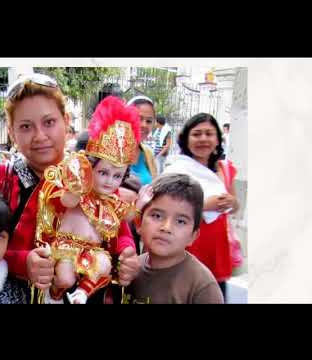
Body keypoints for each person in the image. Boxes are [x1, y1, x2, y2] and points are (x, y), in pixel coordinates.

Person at [0, 73, 140, 304]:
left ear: (66, 121)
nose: (40, 136)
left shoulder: (91, 174)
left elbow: (120, 229)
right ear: (12, 132)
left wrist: (127, 256)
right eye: (26, 126)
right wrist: (21, 262)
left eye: (49, 122)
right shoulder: (0, 181)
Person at [36, 96, 152, 304]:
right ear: (90, 167)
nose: (110, 181)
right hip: (66, 247)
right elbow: (64, 202)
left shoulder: (112, 199)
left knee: (105, 266)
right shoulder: (79, 187)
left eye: (117, 176)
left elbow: (124, 222)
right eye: (103, 173)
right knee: (64, 277)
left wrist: (139, 208)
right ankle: (55, 294)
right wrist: (76, 190)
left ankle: (81, 293)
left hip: (95, 252)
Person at [163, 113, 240, 300]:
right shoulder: (178, 168)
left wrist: (232, 202)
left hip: (217, 246)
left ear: (217, 139)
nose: (203, 139)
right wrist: (204, 205)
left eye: (209, 134)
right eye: (197, 134)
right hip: (188, 242)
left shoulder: (225, 168)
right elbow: (166, 206)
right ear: (186, 139)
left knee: (214, 294)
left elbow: (236, 206)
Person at [125, 173, 224, 304]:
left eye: (181, 221)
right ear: (138, 223)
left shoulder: (202, 287)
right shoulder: (129, 270)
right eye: (157, 216)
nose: (166, 228)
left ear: (193, 236)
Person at [126, 96, 158, 187]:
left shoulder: (148, 153)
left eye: (149, 121)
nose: (144, 125)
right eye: (138, 118)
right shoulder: (111, 149)